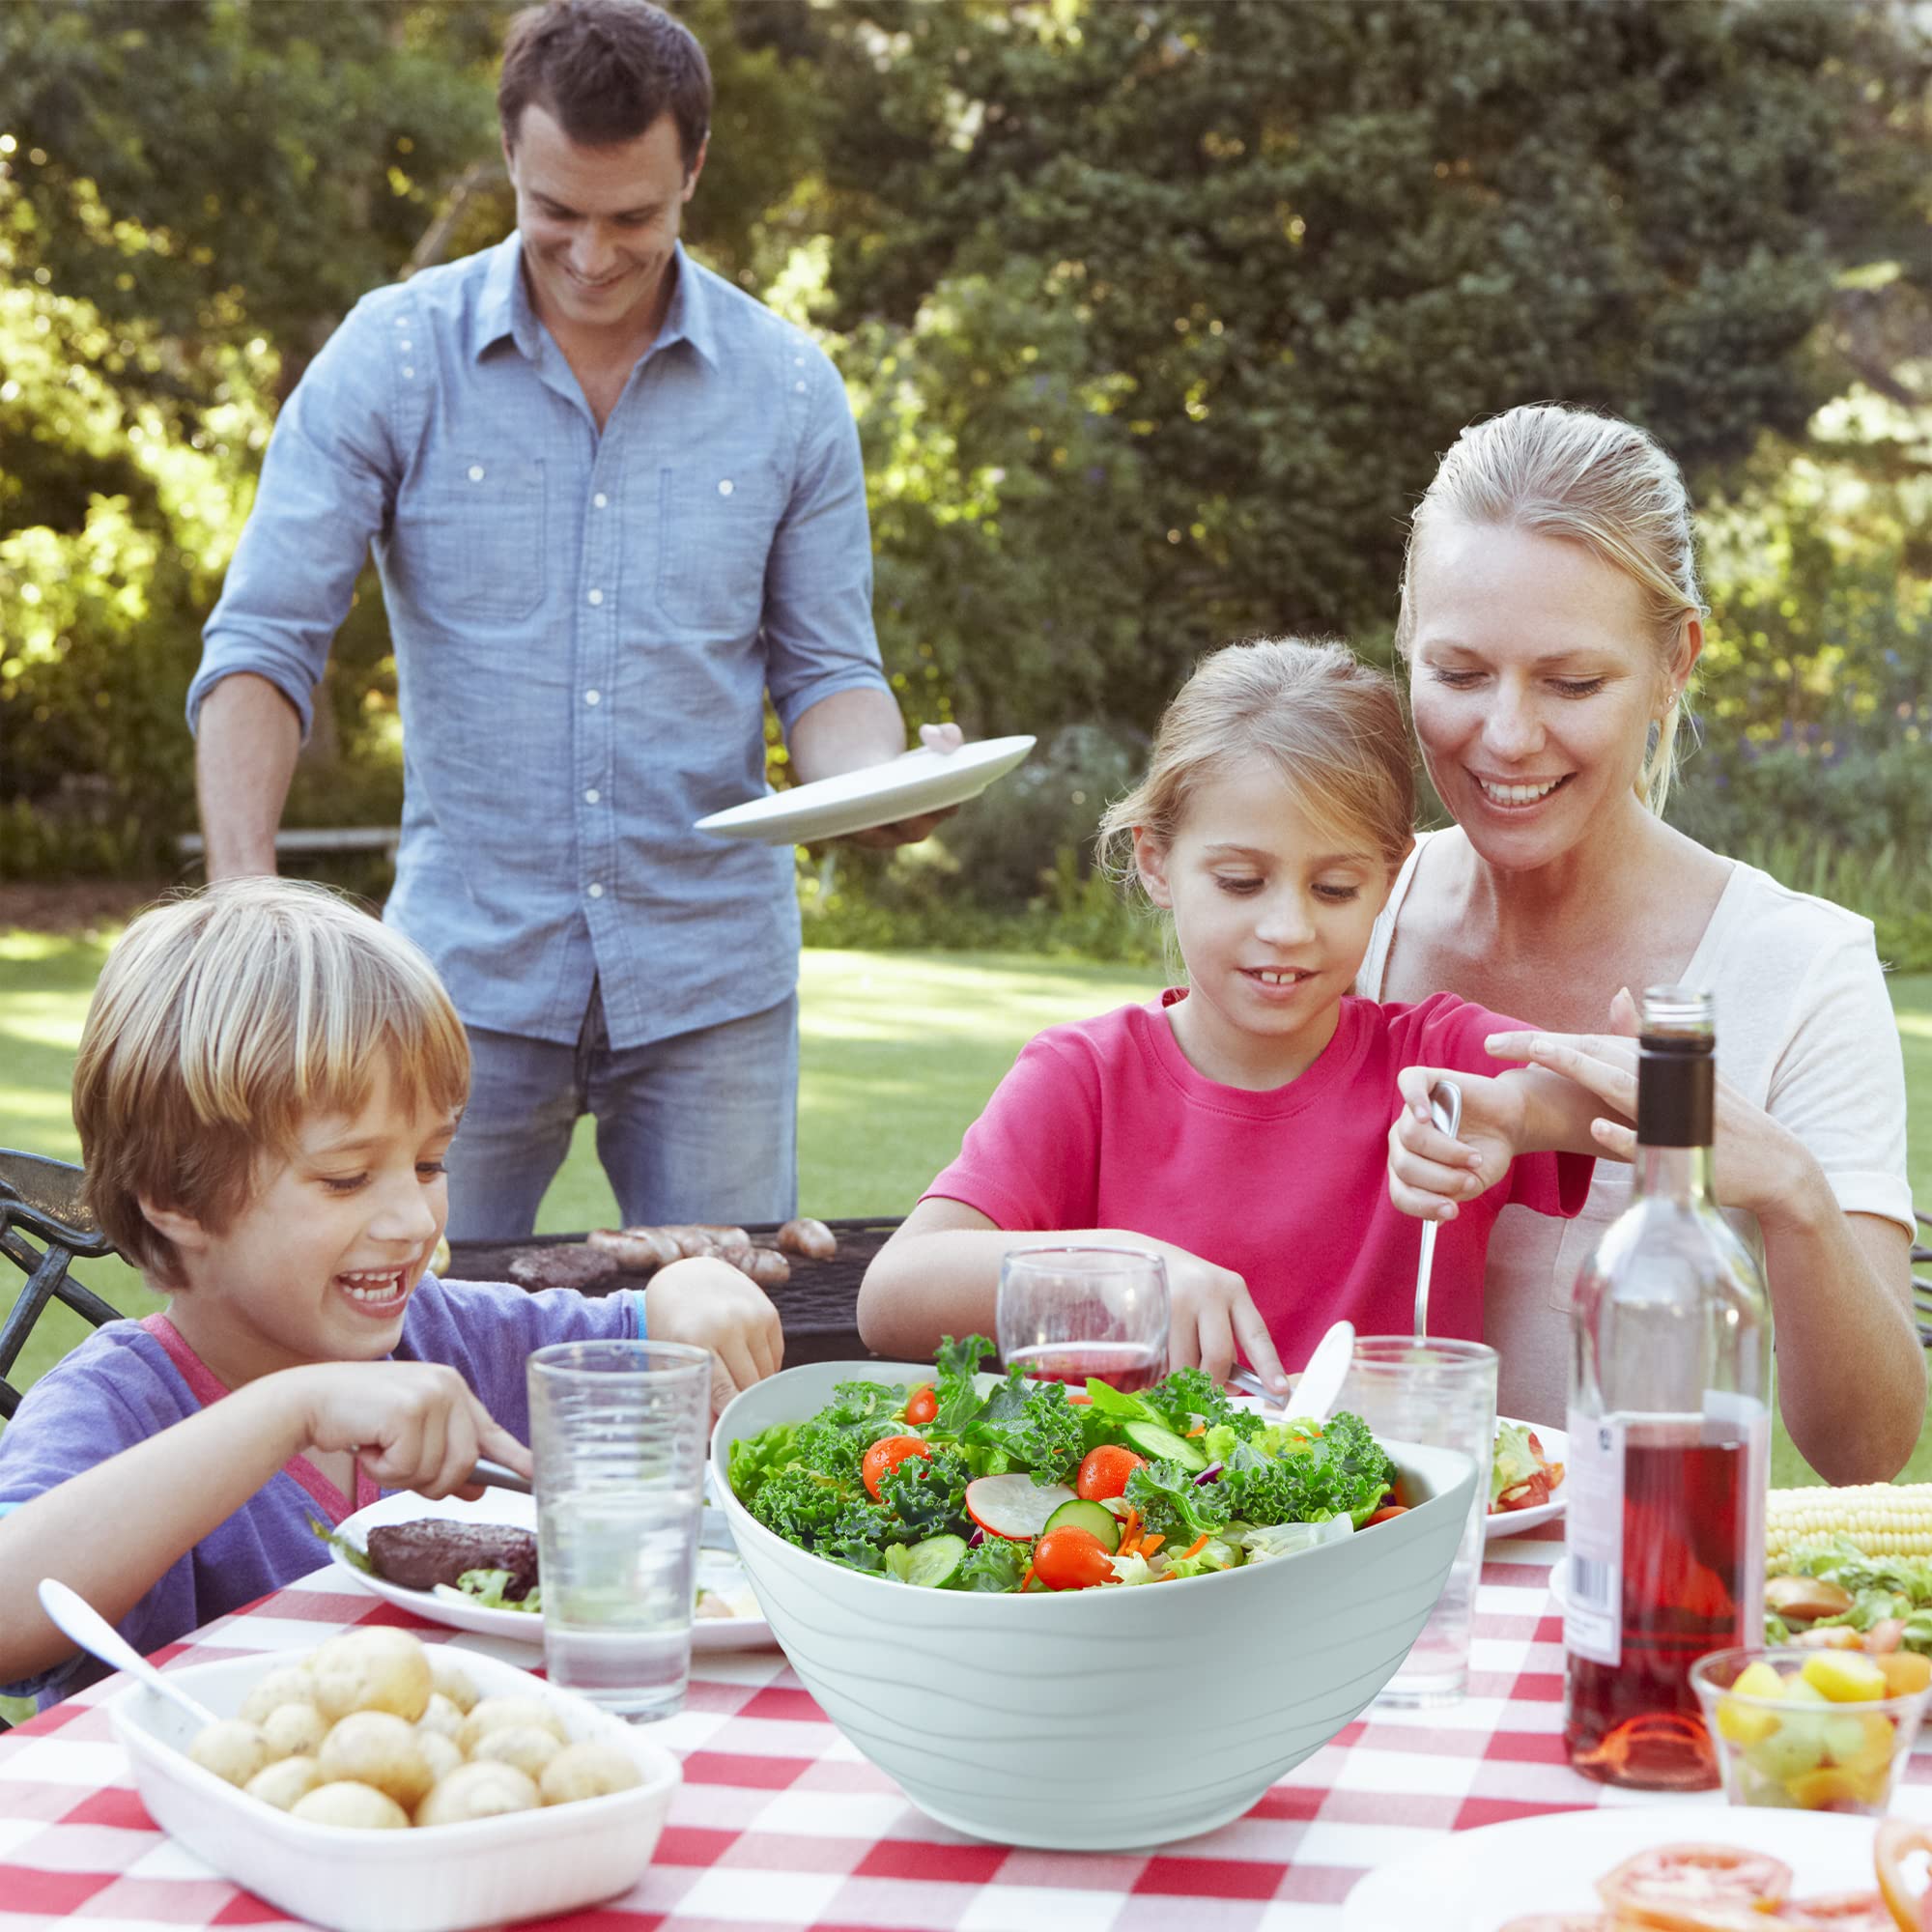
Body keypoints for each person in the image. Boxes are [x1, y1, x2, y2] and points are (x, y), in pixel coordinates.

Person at [187, 0, 953, 1244]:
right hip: (458, 987)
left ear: (693, 169)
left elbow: (825, 676)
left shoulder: (790, 388)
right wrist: (240, 905)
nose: (593, 254)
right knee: (404, 1357)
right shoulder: (393, 357)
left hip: (712, 985)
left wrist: (882, 788)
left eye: (633, 218)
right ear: (509, 162)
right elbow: (265, 644)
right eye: (557, 215)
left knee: (731, 1350)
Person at [0, 877, 782, 1709]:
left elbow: (649, 1347)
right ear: (176, 1196)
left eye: (430, 1163)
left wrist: (690, 1287)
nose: (413, 1220)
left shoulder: (455, 1338)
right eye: (346, 1178)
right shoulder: (120, 1403)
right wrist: (290, 1411)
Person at [1359, 401, 1923, 1482]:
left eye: (1571, 682)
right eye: (1459, 672)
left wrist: (1787, 1192)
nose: (1507, 735)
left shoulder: (1799, 971)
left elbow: (1866, 1448)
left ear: (1674, 665)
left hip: (1632, 1608)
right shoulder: (1338, 916)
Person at [857, 639, 1608, 1384]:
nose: (1288, 927)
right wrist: (1128, 1273)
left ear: (1390, 877)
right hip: (1121, 1507)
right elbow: (892, 1297)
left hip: (1394, 1510)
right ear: (1156, 863)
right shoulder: (1085, 1080)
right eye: (1242, 882)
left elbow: (1647, 1098)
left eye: (1335, 889)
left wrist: (1516, 1114)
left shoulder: (1430, 1065)